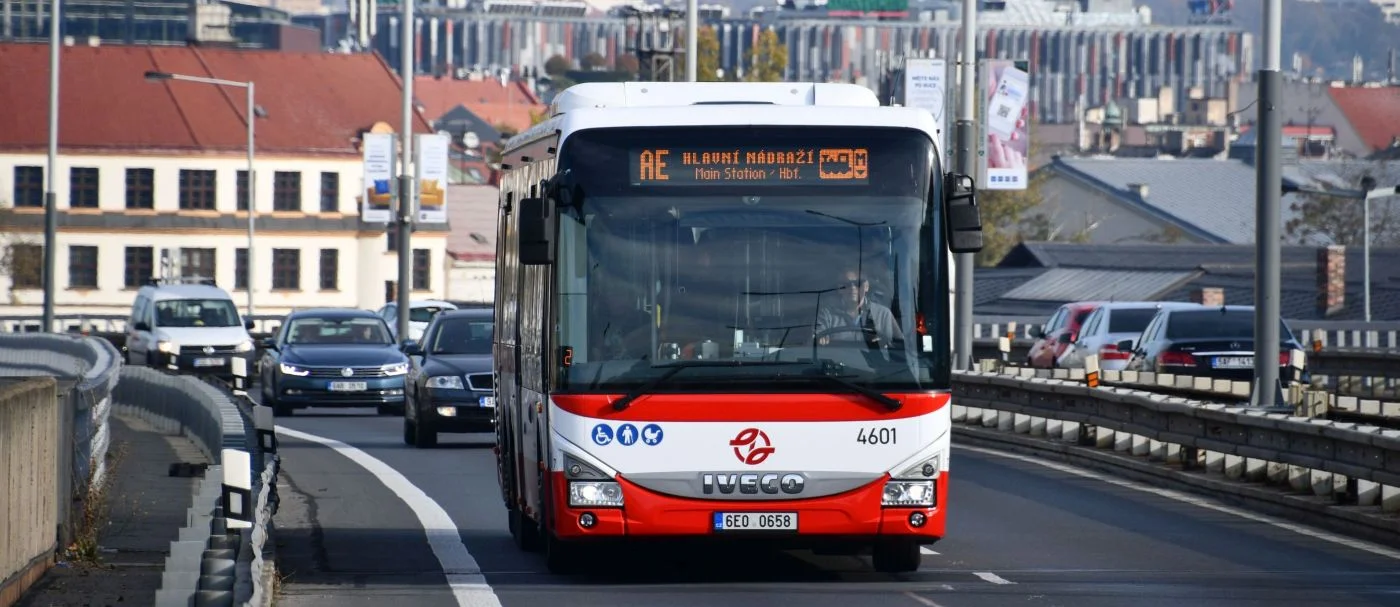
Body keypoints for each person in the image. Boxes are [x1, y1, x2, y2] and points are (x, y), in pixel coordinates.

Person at [815, 266, 901, 348]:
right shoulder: (826, 314)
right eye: (847, 284)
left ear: (866, 286)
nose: (852, 288)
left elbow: (900, 347)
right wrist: (820, 340)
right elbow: (813, 343)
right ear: (839, 288)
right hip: (835, 362)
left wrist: (885, 343)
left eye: (858, 283)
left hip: (874, 363)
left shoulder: (884, 314)